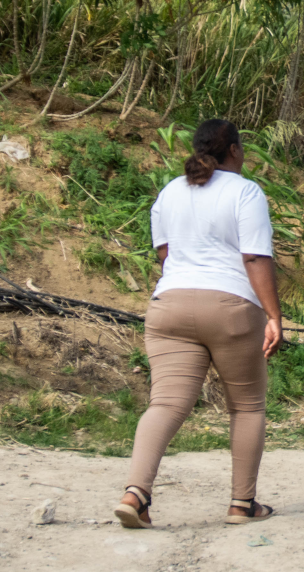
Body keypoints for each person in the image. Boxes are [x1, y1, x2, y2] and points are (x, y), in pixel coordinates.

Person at [116, 119, 282, 529]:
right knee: (246, 406)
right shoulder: (246, 192)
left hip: (169, 306)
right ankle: (241, 504)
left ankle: (135, 493)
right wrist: (275, 316)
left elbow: (165, 253)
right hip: (230, 308)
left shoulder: (171, 191)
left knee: (166, 404)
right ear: (235, 151)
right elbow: (255, 258)